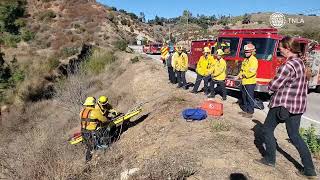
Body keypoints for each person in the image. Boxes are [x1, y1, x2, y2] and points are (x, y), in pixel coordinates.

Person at [256, 36, 317, 179]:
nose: (279, 50)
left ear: (288, 49)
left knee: (266, 130)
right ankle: (309, 170)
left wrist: (269, 85)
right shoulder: (301, 63)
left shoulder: (288, 65)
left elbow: (274, 85)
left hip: (283, 104)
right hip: (298, 106)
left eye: (281, 48)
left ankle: (270, 160)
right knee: (295, 136)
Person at [80, 96, 110, 162]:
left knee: (89, 147)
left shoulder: (82, 111)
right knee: (106, 134)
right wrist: (108, 120)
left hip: (83, 133)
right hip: (93, 133)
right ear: (93, 104)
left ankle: (87, 161)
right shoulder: (95, 111)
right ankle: (105, 155)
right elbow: (104, 120)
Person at [237, 43, 258, 118]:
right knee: (244, 97)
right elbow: (242, 70)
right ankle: (245, 110)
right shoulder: (245, 60)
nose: (246, 53)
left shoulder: (254, 60)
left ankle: (250, 112)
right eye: (245, 52)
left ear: (252, 52)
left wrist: (244, 75)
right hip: (244, 82)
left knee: (249, 97)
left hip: (250, 83)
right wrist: (239, 75)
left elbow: (252, 72)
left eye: (248, 52)